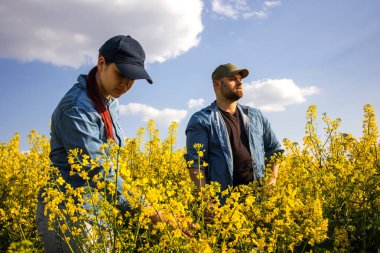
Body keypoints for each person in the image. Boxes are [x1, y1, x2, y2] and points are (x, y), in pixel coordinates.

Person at [36, 35, 159, 252]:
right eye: (122, 74)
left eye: (133, 78)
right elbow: (97, 168)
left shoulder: (110, 101)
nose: (126, 84)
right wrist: (145, 208)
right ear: (101, 63)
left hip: (98, 209)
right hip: (69, 213)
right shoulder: (77, 108)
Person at [184, 63, 283, 204]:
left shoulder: (256, 116)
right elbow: (196, 164)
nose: (239, 82)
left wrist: (272, 179)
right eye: (232, 79)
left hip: (257, 204)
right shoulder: (202, 119)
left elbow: (275, 150)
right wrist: (206, 200)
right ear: (217, 84)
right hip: (222, 207)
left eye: (240, 79)